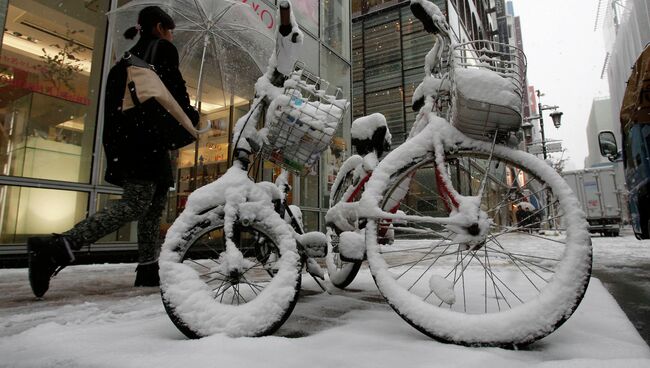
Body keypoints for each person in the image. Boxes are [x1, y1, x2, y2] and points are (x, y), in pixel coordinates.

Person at [26, 6, 199, 298]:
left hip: (131, 142)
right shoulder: (162, 50)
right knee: (136, 204)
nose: (171, 36)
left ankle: (147, 267)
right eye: (170, 30)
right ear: (159, 27)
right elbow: (176, 95)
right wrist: (191, 116)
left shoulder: (125, 61)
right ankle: (57, 248)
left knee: (154, 202)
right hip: (146, 142)